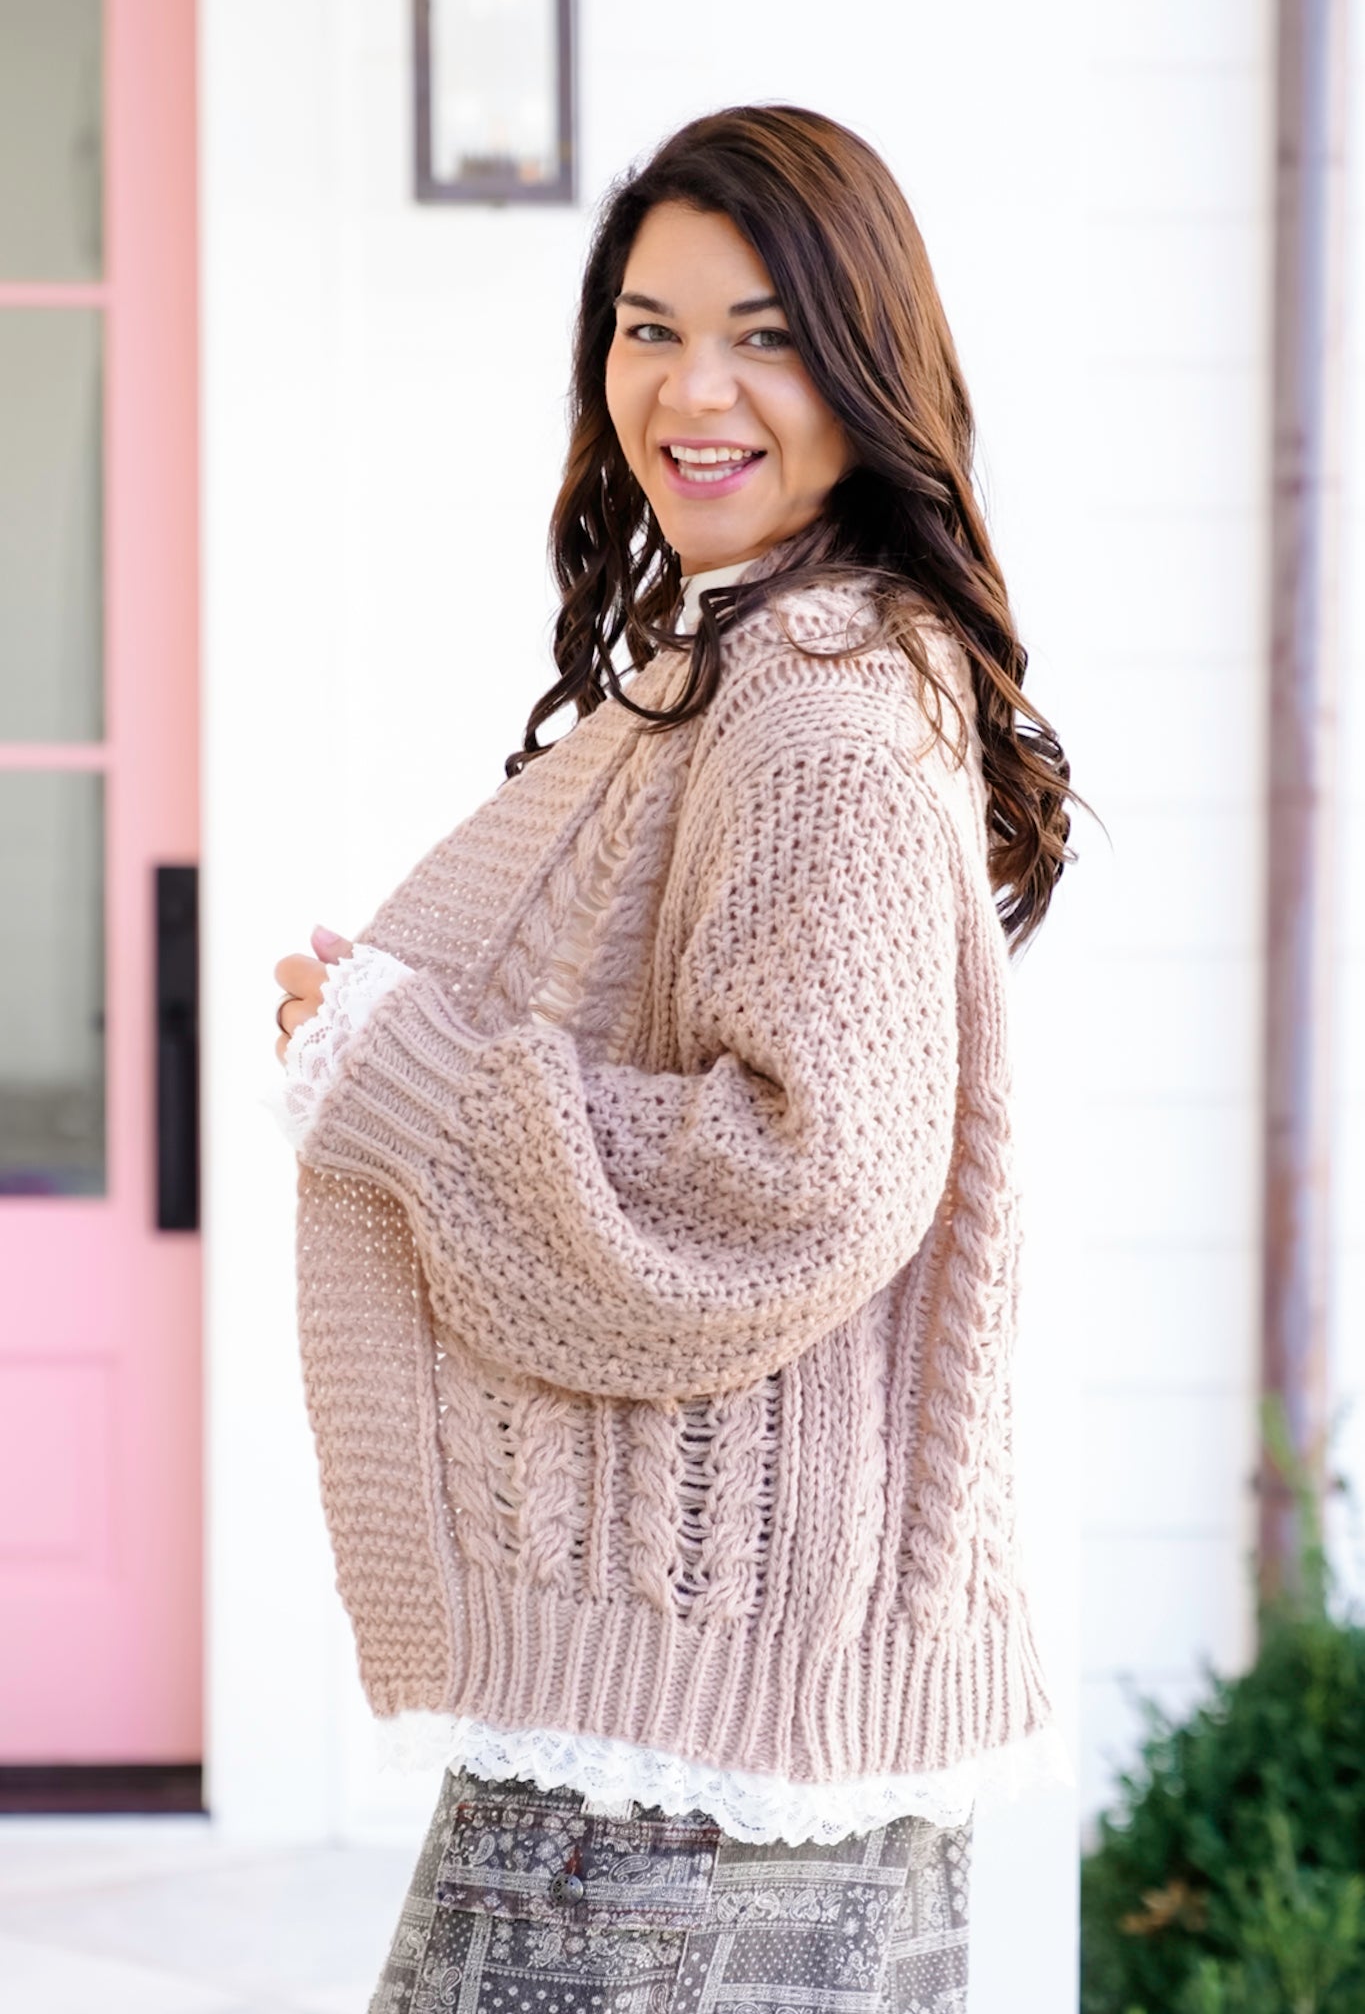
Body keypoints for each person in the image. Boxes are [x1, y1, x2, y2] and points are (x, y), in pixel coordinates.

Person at [271, 103, 1079, 2014]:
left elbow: (813, 1173)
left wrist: (394, 1073)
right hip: (743, 1704)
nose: (690, 387)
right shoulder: (750, 655)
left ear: (864, 364)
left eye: (764, 333)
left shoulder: (809, 699)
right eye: (647, 327)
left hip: (702, 1748)